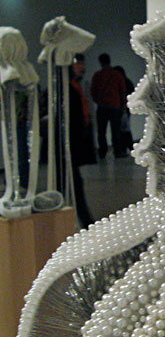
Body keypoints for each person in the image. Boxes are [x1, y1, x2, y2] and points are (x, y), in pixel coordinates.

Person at [69, 53, 96, 227]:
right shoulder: (68, 88)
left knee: (76, 182)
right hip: (70, 145)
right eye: (77, 64)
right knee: (75, 183)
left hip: (76, 143)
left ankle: (84, 219)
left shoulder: (76, 86)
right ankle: (83, 220)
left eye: (81, 63)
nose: (81, 67)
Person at [90, 52, 126, 158]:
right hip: (115, 106)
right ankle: (117, 151)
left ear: (100, 62)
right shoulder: (117, 75)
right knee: (116, 131)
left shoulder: (97, 75)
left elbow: (93, 90)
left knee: (101, 131)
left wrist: (97, 101)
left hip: (102, 106)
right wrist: (123, 106)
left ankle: (102, 151)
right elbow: (122, 91)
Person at [114, 65, 135, 152]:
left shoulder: (121, 83)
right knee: (125, 127)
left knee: (122, 128)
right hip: (126, 107)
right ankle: (129, 146)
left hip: (122, 107)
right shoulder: (127, 82)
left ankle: (125, 147)